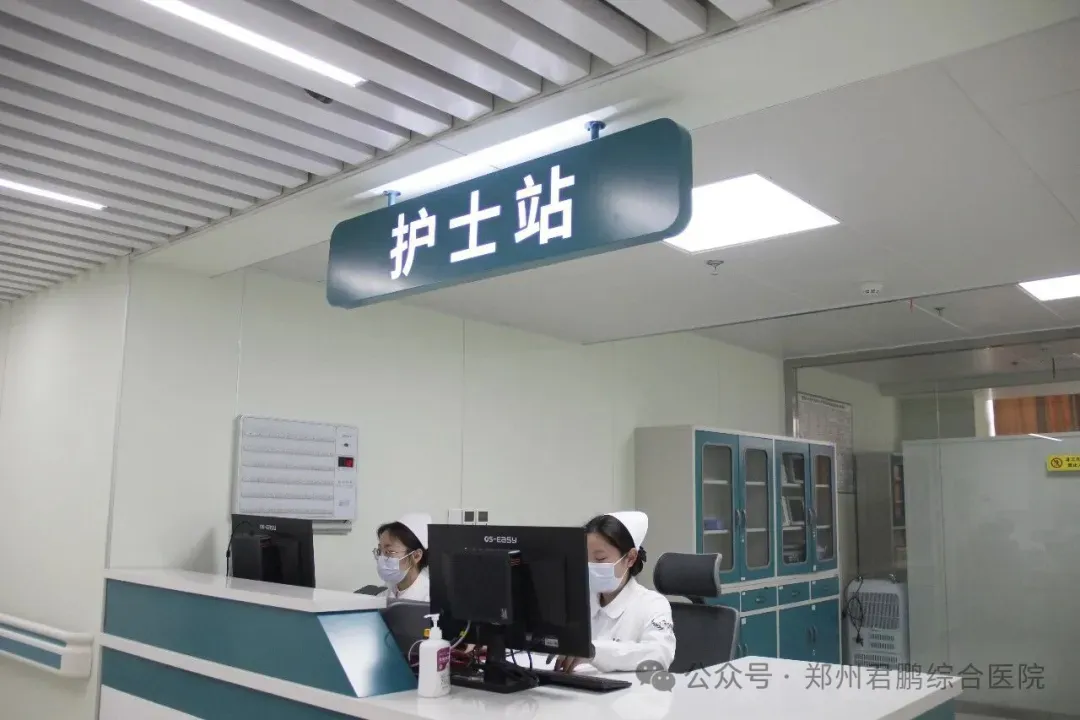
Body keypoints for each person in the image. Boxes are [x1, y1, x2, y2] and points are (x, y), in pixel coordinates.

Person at [551, 511, 676, 674]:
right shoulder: (578, 600)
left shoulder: (652, 604)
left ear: (630, 558)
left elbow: (659, 654)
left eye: (600, 559)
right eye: (584, 558)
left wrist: (593, 651)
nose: (590, 566)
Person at [374, 512, 431, 602]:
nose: (381, 558)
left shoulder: (430, 600)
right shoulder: (384, 594)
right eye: (379, 551)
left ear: (416, 556)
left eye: (389, 552)